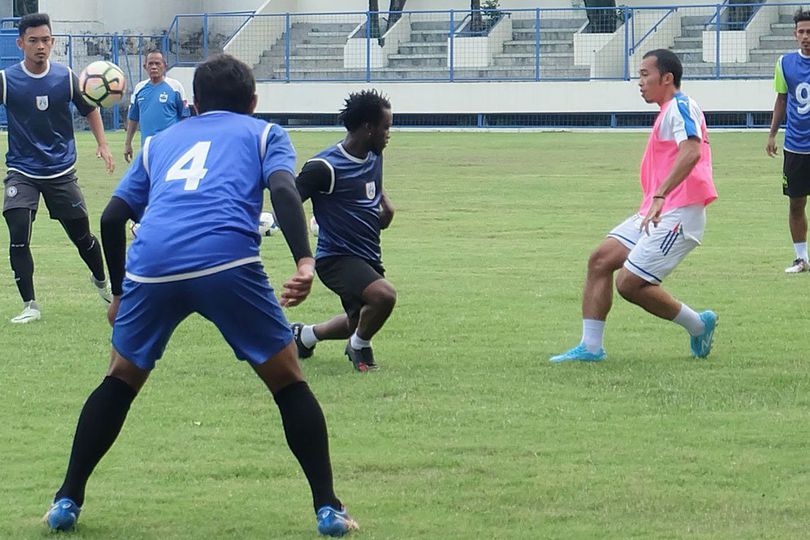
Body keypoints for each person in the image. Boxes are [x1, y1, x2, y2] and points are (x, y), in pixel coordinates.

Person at [44, 54, 358, 538]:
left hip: (152, 264)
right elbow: (284, 191)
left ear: (193, 106)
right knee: (289, 382)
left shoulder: (162, 141)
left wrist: (123, 290)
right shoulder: (264, 133)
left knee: (119, 380)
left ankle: (66, 499)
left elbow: (110, 218)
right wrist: (304, 260)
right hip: (226, 262)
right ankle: (329, 510)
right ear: (253, 103)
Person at [550, 49, 718, 363]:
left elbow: (692, 151)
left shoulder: (681, 106)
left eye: (644, 75)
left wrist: (660, 195)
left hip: (679, 213)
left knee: (629, 284)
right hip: (657, 211)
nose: (639, 82)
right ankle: (590, 347)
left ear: (666, 78)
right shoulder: (668, 109)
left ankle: (698, 325)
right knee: (600, 260)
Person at [1, 12, 114, 324]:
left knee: (82, 237)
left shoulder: (66, 77)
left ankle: (101, 280)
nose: (41, 46)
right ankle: (30, 305)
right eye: (34, 40)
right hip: (22, 171)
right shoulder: (6, 79)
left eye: (46, 40)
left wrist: (103, 145)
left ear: (52, 42)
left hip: (61, 171)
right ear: (20, 43)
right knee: (19, 232)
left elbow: (90, 109)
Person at [291, 89, 396, 373]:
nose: (389, 133)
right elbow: (289, 201)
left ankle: (305, 336)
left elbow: (373, 188)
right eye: (385, 127)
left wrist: (386, 209)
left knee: (358, 319)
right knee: (384, 296)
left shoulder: (375, 155)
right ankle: (359, 346)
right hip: (336, 257)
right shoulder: (324, 167)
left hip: (368, 253)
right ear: (368, 127)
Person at [766, 9, 810, 273]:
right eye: (802, 32)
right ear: (795, 35)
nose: (806, 37)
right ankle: (801, 258)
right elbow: (781, 100)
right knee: (796, 203)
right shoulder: (784, 63)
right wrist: (772, 134)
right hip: (795, 146)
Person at [123, 49, 189, 163]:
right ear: (145, 67)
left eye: (157, 63)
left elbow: (185, 118)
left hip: (170, 147)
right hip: (148, 148)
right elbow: (133, 118)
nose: (154, 67)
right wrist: (128, 144)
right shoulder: (139, 88)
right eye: (150, 63)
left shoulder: (175, 87)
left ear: (165, 66)